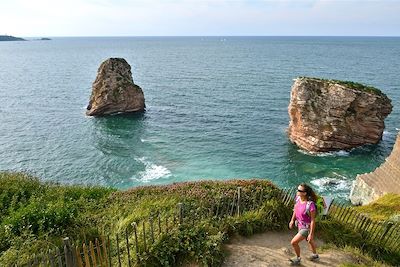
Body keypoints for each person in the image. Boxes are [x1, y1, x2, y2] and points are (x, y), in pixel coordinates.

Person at [288, 183, 319, 265]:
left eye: (299, 190)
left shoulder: (310, 205)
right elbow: (295, 209)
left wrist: (311, 234)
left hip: (306, 228)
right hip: (299, 225)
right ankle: (315, 255)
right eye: (297, 189)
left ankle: (298, 259)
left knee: (294, 242)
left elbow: (312, 220)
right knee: (309, 240)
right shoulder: (298, 199)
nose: (297, 191)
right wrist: (292, 220)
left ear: (305, 193)